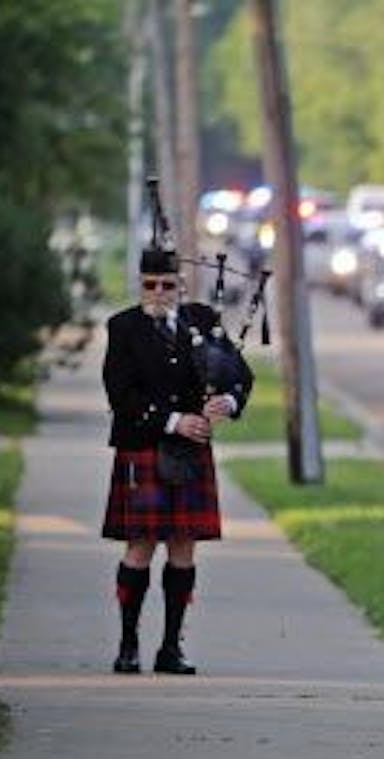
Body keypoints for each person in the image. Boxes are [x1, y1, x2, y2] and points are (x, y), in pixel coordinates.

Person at [100, 248, 253, 675]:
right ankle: (128, 645)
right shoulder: (123, 327)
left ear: (180, 286)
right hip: (145, 446)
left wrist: (229, 399)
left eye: (168, 285)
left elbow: (239, 374)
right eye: (151, 284)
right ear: (140, 284)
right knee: (140, 547)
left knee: (183, 547)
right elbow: (120, 394)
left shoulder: (201, 321)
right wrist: (174, 421)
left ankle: (171, 648)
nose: (159, 292)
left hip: (189, 454)